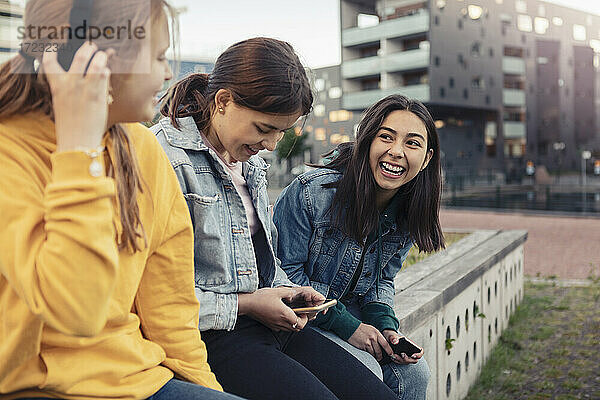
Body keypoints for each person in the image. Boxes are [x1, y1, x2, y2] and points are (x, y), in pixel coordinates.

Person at [0, 1, 242, 399]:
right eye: (160, 57)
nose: (167, 73)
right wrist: (79, 147)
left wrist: (208, 391)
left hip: (135, 379)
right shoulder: (11, 150)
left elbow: (171, 309)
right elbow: (76, 310)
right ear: (97, 62)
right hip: (32, 387)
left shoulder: (144, 150)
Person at [153, 37, 398, 400]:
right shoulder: (165, 158)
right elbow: (153, 294)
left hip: (269, 325)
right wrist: (247, 303)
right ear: (223, 101)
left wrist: (289, 291)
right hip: (210, 338)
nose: (271, 144)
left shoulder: (250, 163)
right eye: (264, 128)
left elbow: (260, 263)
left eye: (281, 132)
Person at [273, 94, 445, 400]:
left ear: (427, 158)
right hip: (300, 321)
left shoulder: (407, 212)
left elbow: (381, 280)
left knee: (416, 375)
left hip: (351, 315)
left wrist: (386, 328)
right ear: (367, 141)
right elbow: (284, 278)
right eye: (386, 137)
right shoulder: (312, 193)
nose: (396, 152)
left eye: (412, 143)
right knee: (367, 368)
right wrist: (348, 326)